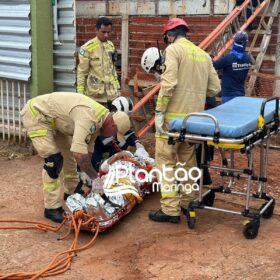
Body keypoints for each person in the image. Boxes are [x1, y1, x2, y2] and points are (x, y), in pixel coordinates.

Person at [148, 18, 221, 223]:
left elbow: (168, 83)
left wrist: (160, 111)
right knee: (188, 162)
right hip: (193, 122)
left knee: (166, 164)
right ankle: (188, 201)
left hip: (170, 121)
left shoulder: (173, 50)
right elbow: (215, 88)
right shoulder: (203, 55)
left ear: (170, 36)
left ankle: (170, 210)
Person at [20, 92, 131, 223]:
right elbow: (79, 153)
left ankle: (71, 192)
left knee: (68, 157)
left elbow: (87, 150)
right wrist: (95, 178)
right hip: (37, 115)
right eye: (114, 134)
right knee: (54, 162)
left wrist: (86, 173)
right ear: (113, 125)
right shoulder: (89, 118)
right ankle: (51, 208)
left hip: (56, 120)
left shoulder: (100, 119)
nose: (111, 137)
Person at [91, 96, 150, 171]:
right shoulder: (101, 129)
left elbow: (129, 135)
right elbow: (98, 165)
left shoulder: (116, 127)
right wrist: (116, 156)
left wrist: (138, 144)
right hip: (98, 165)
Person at [77, 17, 120, 107]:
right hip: (95, 96)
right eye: (103, 32)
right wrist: (80, 94)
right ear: (96, 30)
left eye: (108, 32)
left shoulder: (110, 46)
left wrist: (117, 88)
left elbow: (113, 70)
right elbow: (82, 72)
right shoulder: (87, 48)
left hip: (112, 95)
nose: (106, 35)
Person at [213, 31, 252, 103]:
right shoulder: (248, 58)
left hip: (228, 96)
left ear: (234, 42)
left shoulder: (228, 58)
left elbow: (213, 65)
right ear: (246, 43)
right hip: (240, 95)